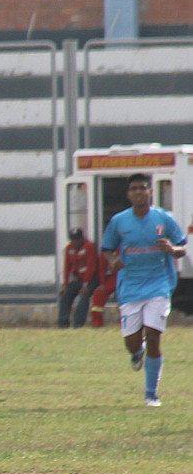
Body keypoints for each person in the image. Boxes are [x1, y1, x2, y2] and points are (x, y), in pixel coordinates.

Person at [100, 174, 187, 406]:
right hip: (130, 287)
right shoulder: (120, 221)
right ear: (129, 194)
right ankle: (137, 352)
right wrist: (112, 260)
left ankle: (151, 394)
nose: (139, 192)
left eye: (143, 188)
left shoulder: (163, 219)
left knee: (154, 335)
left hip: (159, 284)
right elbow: (107, 247)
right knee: (132, 342)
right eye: (134, 189)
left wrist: (172, 248)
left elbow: (182, 247)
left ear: (150, 192)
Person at [57, 227, 99, 329]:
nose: (75, 242)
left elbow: (91, 267)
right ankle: (63, 323)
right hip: (78, 279)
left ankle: (78, 324)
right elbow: (67, 267)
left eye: (77, 239)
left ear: (82, 238)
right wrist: (65, 284)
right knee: (66, 295)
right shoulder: (69, 248)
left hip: (92, 279)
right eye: (73, 239)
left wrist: (85, 285)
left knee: (84, 296)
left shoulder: (89, 246)